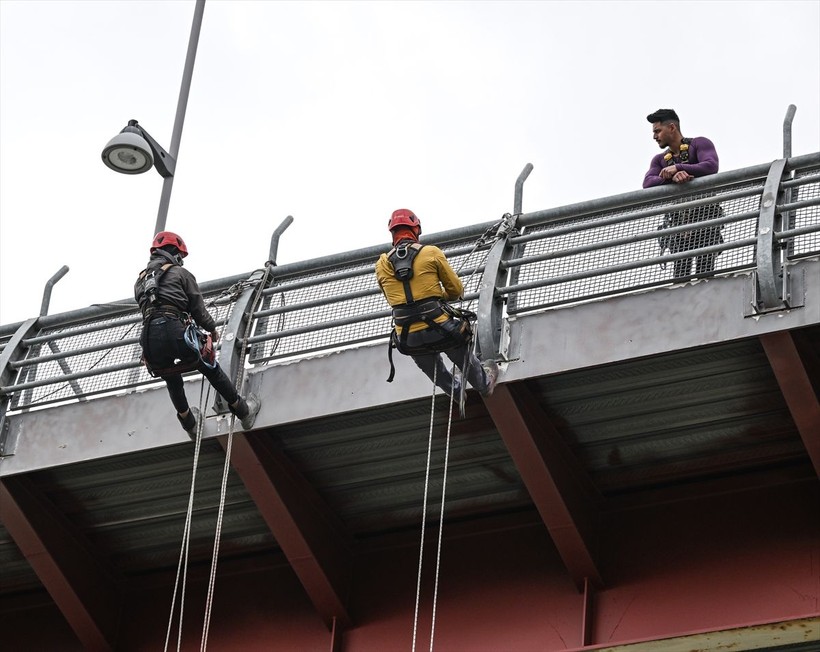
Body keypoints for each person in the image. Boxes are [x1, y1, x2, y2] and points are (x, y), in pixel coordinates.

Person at [134, 231, 260, 436]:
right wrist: (211, 329)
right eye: (180, 257)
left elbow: (149, 310)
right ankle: (243, 411)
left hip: (149, 339)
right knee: (209, 366)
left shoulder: (139, 281)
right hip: (174, 329)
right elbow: (198, 310)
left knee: (170, 376)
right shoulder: (181, 274)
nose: (181, 261)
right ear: (174, 253)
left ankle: (189, 424)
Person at [375, 208, 499, 399]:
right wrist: (437, 297)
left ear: (392, 233)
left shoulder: (381, 265)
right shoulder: (431, 253)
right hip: (440, 326)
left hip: (408, 335)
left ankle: (455, 391)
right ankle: (483, 383)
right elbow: (456, 291)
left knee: (428, 363)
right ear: (416, 230)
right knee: (460, 351)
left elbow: (393, 299)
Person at [643, 108, 723, 279]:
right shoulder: (659, 159)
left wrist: (679, 167)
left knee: (705, 270)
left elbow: (711, 165)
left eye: (658, 131)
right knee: (680, 273)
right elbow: (648, 183)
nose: (654, 136)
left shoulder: (699, 143)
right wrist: (672, 177)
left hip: (705, 216)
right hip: (678, 222)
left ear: (672, 127)